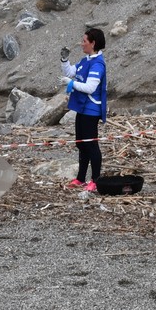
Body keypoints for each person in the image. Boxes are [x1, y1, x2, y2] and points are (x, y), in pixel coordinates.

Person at [61, 27, 107, 192]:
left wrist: (71, 84)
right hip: (81, 108)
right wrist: (64, 60)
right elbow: (70, 72)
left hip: (91, 109)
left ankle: (95, 180)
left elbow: (90, 87)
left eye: (84, 41)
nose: (81, 44)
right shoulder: (85, 60)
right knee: (81, 143)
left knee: (91, 144)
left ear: (93, 43)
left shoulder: (98, 65)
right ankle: (81, 178)